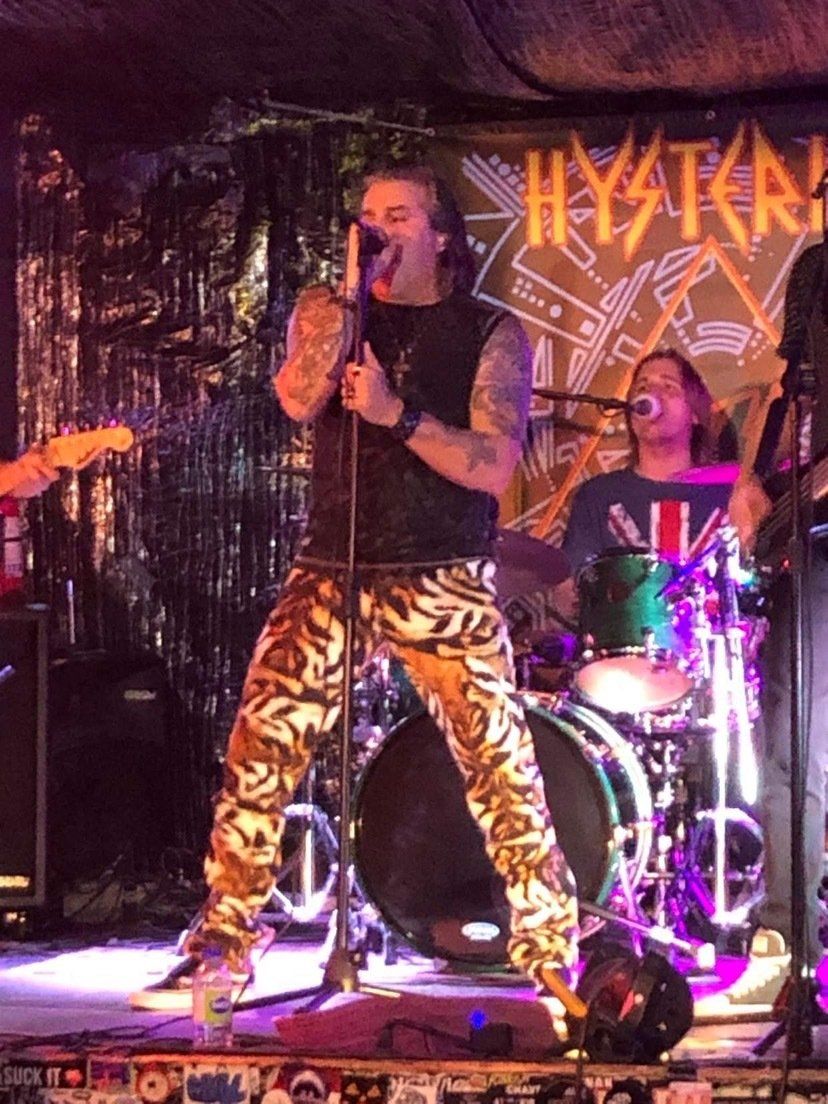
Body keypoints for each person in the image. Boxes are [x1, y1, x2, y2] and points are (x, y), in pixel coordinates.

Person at [130, 163, 580, 1042]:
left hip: (441, 571)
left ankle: (551, 949)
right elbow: (297, 400)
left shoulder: (488, 330)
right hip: (332, 568)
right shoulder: (330, 310)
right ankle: (223, 941)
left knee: (499, 766)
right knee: (261, 745)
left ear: (441, 235)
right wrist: (338, 315)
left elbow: (493, 466)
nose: (378, 229)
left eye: (398, 215)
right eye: (368, 216)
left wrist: (395, 414)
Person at [697, 241, 828, 1016]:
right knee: (788, 755)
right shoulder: (816, 271)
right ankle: (785, 948)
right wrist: (751, 482)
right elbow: (789, 393)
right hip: (808, 557)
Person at [555, 348, 731, 602]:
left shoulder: (729, 494)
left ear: (694, 413)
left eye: (668, 387)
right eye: (642, 387)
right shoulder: (598, 496)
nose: (651, 394)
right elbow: (568, 594)